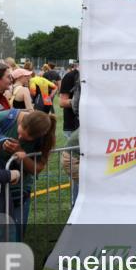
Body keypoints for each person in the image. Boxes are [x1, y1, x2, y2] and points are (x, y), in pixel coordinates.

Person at [0, 108, 56, 235]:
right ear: (21, 122)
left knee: (16, 231)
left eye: (25, 139)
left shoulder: (45, 137)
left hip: (19, 190)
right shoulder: (2, 119)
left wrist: (22, 155)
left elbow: (38, 169)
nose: (19, 137)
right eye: (19, 133)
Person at [58, 62, 80, 203]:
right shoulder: (70, 76)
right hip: (72, 127)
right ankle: (76, 204)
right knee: (77, 176)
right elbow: (62, 102)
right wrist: (80, 101)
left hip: (87, 128)